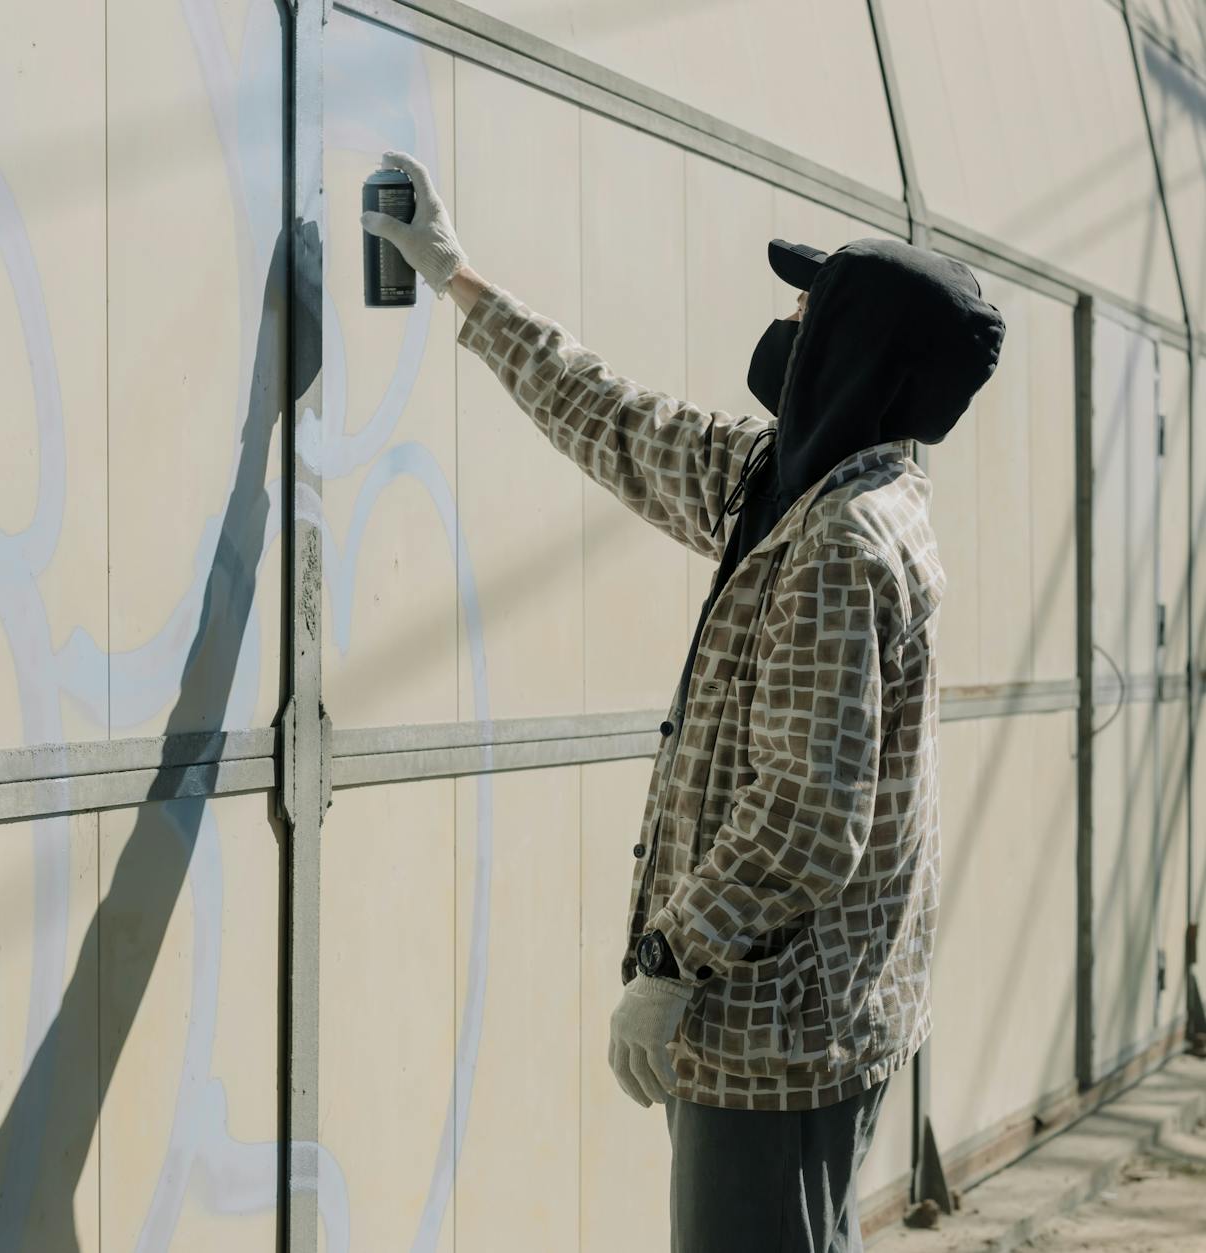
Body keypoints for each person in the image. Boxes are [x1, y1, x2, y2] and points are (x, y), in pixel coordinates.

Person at [364, 151, 1004, 1253]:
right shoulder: (793, 481)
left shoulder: (837, 546)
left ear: (854, 351)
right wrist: (455, 277)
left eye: (809, 308)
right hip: (795, 1014)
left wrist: (668, 961)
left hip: (778, 1028)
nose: (787, 324)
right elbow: (617, 422)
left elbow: (807, 813)